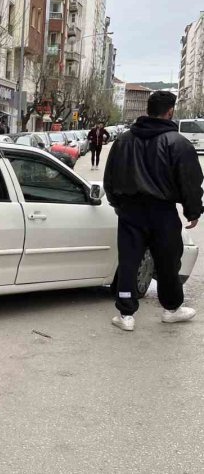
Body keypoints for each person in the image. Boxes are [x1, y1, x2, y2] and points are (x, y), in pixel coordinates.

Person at [103, 91, 203, 331]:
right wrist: (193, 211)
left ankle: (126, 315)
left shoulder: (124, 140)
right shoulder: (177, 142)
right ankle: (171, 309)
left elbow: (110, 177)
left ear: (147, 110)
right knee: (168, 261)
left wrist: (117, 204)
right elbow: (190, 180)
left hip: (130, 211)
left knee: (129, 260)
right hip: (163, 212)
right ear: (170, 111)